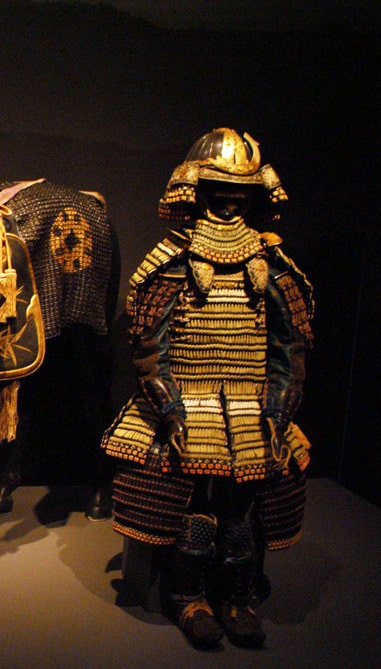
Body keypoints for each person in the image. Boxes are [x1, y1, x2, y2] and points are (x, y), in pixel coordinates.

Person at [100, 128, 314, 649]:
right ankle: (187, 594)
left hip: (250, 404)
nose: (229, 203)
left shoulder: (274, 262)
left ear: (257, 195)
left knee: (244, 504)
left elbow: (291, 346)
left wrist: (279, 408)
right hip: (185, 402)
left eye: (239, 193)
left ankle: (237, 594)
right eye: (218, 192)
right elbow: (150, 346)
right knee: (191, 498)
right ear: (195, 191)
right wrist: (170, 409)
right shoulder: (170, 259)